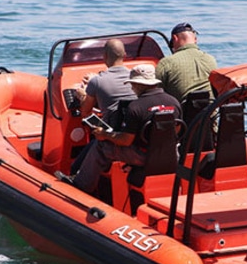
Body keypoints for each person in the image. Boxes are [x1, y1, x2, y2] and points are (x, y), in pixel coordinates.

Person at [55, 64, 182, 195]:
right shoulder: (174, 102)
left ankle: (82, 185)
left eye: (132, 84)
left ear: (138, 84)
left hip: (144, 156)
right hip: (171, 155)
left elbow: (125, 141)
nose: (132, 88)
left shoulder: (135, 107)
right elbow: (176, 131)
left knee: (101, 146)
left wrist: (104, 134)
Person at [70, 39, 136, 174]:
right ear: (125, 55)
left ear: (104, 56)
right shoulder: (137, 79)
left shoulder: (97, 82)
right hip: (134, 136)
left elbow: (85, 111)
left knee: (75, 166)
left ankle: (77, 180)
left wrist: (82, 94)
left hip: (110, 136)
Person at [155, 22, 217, 103]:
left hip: (181, 113)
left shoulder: (166, 63)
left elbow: (155, 92)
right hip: (210, 113)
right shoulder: (210, 59)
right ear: (195, 39)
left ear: (175, 38)